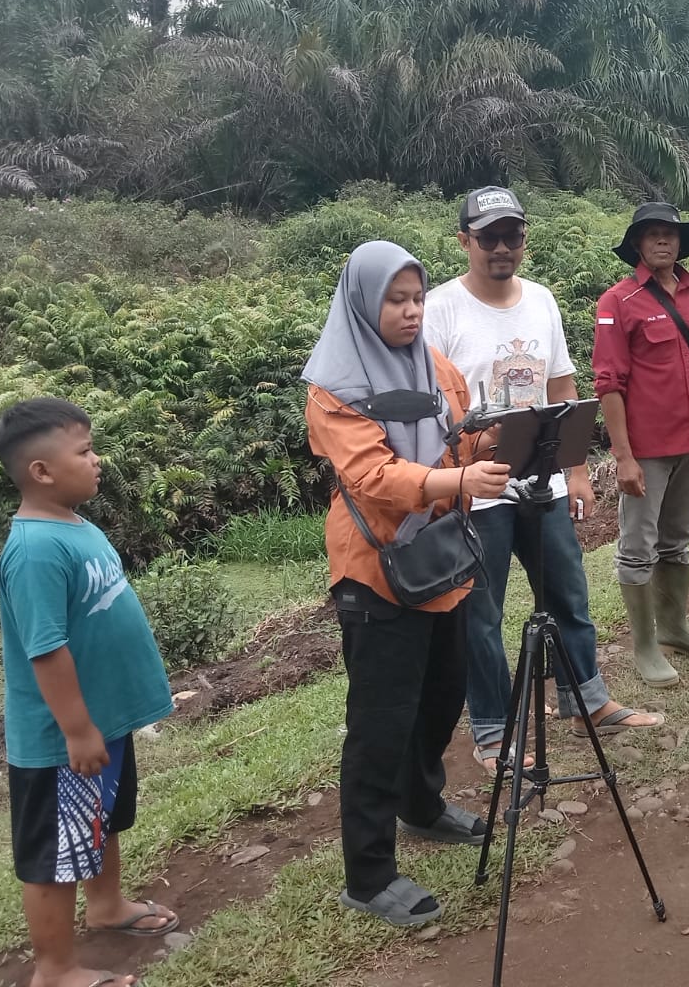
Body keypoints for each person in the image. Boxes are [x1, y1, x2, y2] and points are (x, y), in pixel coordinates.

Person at [303, 240, 511, 927]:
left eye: (418, 298)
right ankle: (367, 875)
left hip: (441, 559)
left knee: (443, 693)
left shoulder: (435, 364)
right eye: (396, 300)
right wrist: (458, 479)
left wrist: (502, 437)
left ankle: (420, 806)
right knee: (380, 720)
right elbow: (371, 477)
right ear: (364, 303)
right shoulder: (334, 388)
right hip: (377, 569)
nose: (411, 311)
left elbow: (461, 438)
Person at [424, 187, 664, 772]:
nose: (501, 248)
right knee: (481, 615)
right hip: (477, 489)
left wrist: (576, 470)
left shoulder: (541, 300)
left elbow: (561, 386)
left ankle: (586, 702)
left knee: (567, 594)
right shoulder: (439, 309)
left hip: (543, 483)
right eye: (488, 237)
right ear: (464, 241)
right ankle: (492, 731)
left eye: (511, 235)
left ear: (524, 240)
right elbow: (430, 405)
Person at [0, 397, 180, 987]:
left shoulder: (74, 525)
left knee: (100, 820)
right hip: (63, 739)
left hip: (102, 722)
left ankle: (107, 906)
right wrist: (76, 729)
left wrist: (96, 724)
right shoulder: (34, 551)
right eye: (85, 451)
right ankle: (54, 969)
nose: (97, 461)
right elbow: (46, 650)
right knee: (55, 855)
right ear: (41, 471)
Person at [592, 203, 689, 688]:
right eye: (652, 234)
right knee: (638, 547)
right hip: (646, 450)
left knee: (677, 541)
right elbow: (608, 383)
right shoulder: (618, 302)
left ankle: (675, 629)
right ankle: (645, 647)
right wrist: (624, 457)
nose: (662, 241)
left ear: (680, 242)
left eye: (670, 234)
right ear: (638, 243)